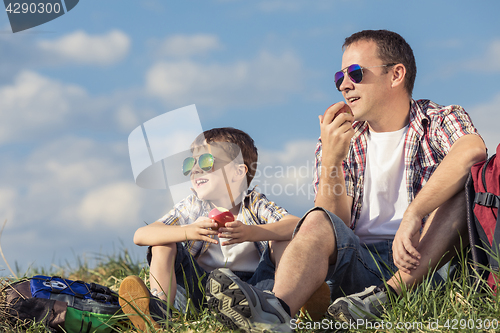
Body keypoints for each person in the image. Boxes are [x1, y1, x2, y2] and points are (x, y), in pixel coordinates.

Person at [205, 29, 487, 331]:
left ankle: (387, 297)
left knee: (466, 186)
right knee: (314, 220)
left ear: (396, 75)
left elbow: (472, 150)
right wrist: (331, 160)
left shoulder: (439, 119)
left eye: (355, 73)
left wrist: (414, 214)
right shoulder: (342, 138)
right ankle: (276, 312)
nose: (345, 86)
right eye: (339, 78)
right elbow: (330, 220)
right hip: (361, 263)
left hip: (425, 259)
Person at [118, 127, 299, 331]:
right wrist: (187, 231)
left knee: (284, 238)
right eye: (190, 164)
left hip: (256, 291)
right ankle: (160, 313)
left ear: (238, 171)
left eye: (206, 161)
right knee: (163, 241)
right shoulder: (194, 206)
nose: (195, 169)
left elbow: (298, 226)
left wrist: (252, 232)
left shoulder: (253, 203)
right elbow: (141, 235)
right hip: (204, 289)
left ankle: (283, 306)